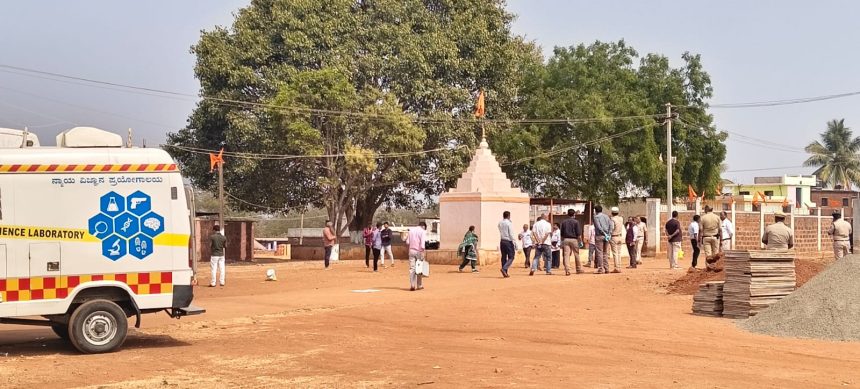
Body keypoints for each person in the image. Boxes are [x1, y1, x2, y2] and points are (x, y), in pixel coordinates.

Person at [560, 209, 583, 275]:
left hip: (566, 239)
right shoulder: (576, 222)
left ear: (568, 214)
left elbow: (562, 233)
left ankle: (567, 270)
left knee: (566, 255)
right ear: (574, 214)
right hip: (574, 239)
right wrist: (580, 241)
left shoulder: (564, 222)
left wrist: (562, 241)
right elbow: (578, 233)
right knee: (576, 254)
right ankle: (578, 269)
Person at [406, 222, 428, 291]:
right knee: (419, 268)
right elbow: (422, 244)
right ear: (423, 226)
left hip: (411, 251)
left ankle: (412, 285)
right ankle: (419, 285)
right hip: (419, 251)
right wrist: (423, 252)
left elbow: (407, 242)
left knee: (412, 268)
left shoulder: (411, 230)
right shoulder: (422, 231)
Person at [699, 206, 721, 271]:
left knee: (708, 254)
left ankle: (709, 268)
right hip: (715, 237)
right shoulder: (717, 217)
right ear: (712, 209)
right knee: (715, 253)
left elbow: (700, 229)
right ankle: (715, 267)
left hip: (706, 237)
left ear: (706, 210)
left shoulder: (703, 218)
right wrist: (720, 238)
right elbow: (720, 229)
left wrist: (699, 239)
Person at [592, 206, 613, 274]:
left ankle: (601, 269)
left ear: (595, 210)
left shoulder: (596, 217)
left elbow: (598, 227)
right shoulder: (606, 216)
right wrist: (608, 234)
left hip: (599, 236)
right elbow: (611, 226)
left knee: (599, 252)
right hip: (607, 236)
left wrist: (604, 233)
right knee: (605, 252)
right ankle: (606, 268)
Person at [498, 210, 517, 278]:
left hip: (502, 241)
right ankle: (504, 268)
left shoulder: (500, 223)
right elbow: (511, 234)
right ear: (509, 216)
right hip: (508, 241)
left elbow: (500, 230)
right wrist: (514, 242)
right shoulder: (509, 223)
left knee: (503, 257)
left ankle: (505, 272)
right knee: (511, 257)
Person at [609, 207, 624, 273]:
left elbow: (612, 228)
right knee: (619, 253)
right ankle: (619, 267)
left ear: (612, 212)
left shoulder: (612, 219)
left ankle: (616, 267)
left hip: (614, 236)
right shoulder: (621, 218)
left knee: (615, 253)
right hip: (620, 236)